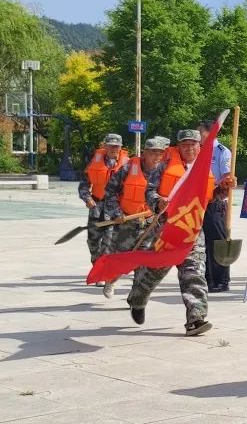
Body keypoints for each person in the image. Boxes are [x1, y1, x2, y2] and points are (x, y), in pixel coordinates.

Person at [127, 129, 228, 336]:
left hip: (192, 231)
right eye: (184, 145)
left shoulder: (204, 167)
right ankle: (137, 299)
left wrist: (223, 190)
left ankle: (196, 319)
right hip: (167, 231)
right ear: (178, 146)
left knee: (194, 273)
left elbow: (209, 197)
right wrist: (158, 202)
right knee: (154, 272)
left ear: (200, 146)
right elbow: (149, 191)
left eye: (193, 144)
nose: (189, 148)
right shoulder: (164, 166)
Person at [98, 136, 168, 298]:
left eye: (160, 153)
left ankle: (136, 298)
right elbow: (110, 192)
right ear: (144, 153)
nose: (157, 157)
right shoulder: (128, 168)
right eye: (153, 153)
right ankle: (110, 280)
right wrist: (117, 213)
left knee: (143, 262)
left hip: (151, 223)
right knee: (121, 258)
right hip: (127, 222)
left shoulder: (164, 171)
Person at [79, 133, 129, 281]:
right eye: (111, 146)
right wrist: (87, 198)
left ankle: (102, 273)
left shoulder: (127, 164)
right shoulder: (94, 162)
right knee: (93, 242)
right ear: (105, 146)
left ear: (121, 147)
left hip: (115, 209)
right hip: (97, 206)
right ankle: (97, 265)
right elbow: (84, 184)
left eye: (117, 146)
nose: (114, 149)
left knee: (108, 243)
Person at [197, 120, 233, 292]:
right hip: (199, 202)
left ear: (210, 133)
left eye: (201, 132)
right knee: (203, 242)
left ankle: (221, 280)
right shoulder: (198, 151)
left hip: (216, 202)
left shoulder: (221, 152)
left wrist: (215, 190)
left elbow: (227, 177)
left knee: (217, 242)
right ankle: (208, 278)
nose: (198, 136)